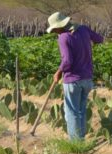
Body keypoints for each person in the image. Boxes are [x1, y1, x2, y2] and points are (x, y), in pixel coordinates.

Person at [47, 12, 103, 140]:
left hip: (72, 80)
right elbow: (100, 39)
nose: (55, 32)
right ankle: (81, 139)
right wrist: (85, 45)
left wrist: (58, 72)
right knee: (81, 111)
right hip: (87, 79)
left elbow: (67, 61)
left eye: (55, 29)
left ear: (61, 26)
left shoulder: (64, 37)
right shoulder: (83, 29)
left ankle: (74, 142)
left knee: (71, 112)